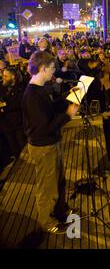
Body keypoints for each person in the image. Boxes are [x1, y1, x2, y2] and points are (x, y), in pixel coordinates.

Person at [22, 51, 79, 234]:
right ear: (43, 68)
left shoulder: (40, 89)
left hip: (51, 143)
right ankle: (47, 221)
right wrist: (67, 116)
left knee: (59, 180)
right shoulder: (32, 95)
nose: (54, 72)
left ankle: (61, 210)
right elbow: (43, 128)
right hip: (43, 146)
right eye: (52, 68)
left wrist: (66, 98)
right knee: (47, 187)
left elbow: (51, 109)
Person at [0, 67, 26, 160]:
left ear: (13, 77)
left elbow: (19, 103)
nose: (3, 78)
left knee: (21, 143)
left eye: (6, 76)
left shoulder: (21, 88)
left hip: (18, 121)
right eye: (3, 75)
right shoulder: (1, 87)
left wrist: (4, 107)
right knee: (12, 144)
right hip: (5, 122)